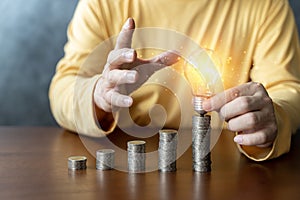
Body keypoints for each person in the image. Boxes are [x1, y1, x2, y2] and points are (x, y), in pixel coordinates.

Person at [49, 0, 300, 161]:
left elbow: (285, 89)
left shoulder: (266, 5)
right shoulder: (103, 4)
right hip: (125, 166)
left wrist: (272, 117)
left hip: (230, 170)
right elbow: (64, 87)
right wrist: (99, 95)